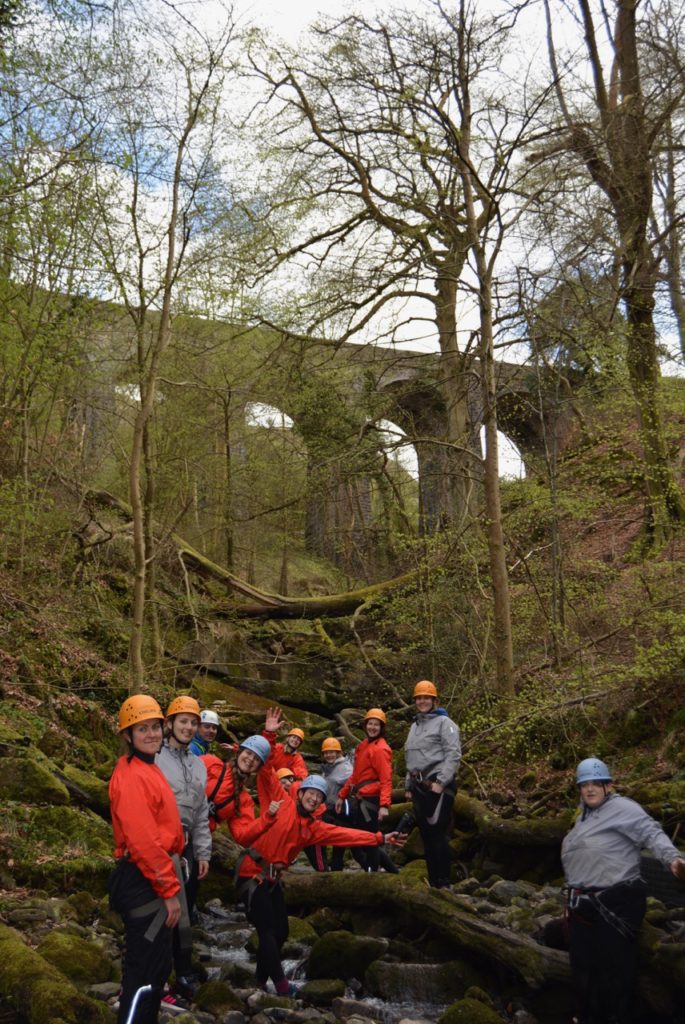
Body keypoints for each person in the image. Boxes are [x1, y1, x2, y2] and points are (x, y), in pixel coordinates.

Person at [236, 771, 405, 996]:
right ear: (302, 792)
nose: (314, 798)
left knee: (282, 932)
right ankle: (282, 986)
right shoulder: (282, 801)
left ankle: (259, 980)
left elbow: (344, 835)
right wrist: (268, 737)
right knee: (267, 930)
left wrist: (379, 838)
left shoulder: (313, 828)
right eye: (311, 793)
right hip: (252, 875)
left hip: (271, 880)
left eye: (319, 797)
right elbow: (267, 774)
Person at [562, 757, 685, 1024]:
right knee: (583, 970)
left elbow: (651, 833)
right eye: (585, 785)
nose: (590, 789)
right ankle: (587, 1017)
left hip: (615, 902)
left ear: (609, 785)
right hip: (582, 905)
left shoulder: (624, 809)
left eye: (596, 783)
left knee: (615, 972)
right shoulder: (583, 815)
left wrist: (673, 860)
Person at [108, 695, 185, 1024]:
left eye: (155, 727)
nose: (152, 734)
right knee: (143, 971)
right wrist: (169, 891)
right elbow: (142, 842)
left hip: (153, 873)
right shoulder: (131, 777)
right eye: (143, 729)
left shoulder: (146, 768)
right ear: (128, 735)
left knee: (156, 967)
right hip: (144, 879)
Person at [156, 695, 212, 999]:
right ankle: (158, 977)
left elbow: (202, 812)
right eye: (184, 722)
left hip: (189, 847)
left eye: (193, 723)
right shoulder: (155, 759)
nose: (189, 727)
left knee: (185, 910)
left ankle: (183, 972)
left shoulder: (198, 765)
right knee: (162, 911)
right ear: (170, 724)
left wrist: (203, 851)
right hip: (162, 846)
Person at [404, 680, 461, 889]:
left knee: (438, 834)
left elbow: (453, 754)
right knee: (426, 835)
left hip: (438, 783)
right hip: (419, 787)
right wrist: (408, 786)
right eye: (419, 698)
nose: (422, 701)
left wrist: (441, 781)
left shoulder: (445, 724)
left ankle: (444, 882)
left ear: (434, 700)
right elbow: (410, 758)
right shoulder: (414, 726)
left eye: (426, 698)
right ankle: (433, 881)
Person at [336, 709, 393, 872]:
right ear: (365, 725)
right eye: (370, 724)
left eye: (376, 725)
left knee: (370, 840)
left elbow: (386, 779)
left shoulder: (381, 749)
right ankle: (389, 871)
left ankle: (374, 872)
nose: (373, 727)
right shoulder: (363, 746)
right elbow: (355, 776)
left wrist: (384, 805)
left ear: (381, 728)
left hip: (372, 800)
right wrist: (342, 795)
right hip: (361, 798)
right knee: (364, 840)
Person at [321, 737, 354, 871]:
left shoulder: (346, 768)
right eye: (326, 753)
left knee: (340, 847)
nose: (329, 755)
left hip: (342, 812)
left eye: (332, 752)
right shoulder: (326, 769)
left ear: (338, 752)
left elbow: (352, 784)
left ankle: (335, 870)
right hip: (328, 811)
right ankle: (328, 869)